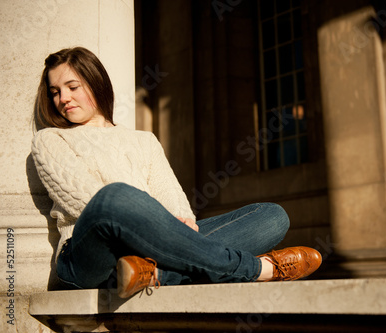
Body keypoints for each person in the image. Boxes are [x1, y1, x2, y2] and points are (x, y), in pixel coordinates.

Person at [31, 46, 322, 298]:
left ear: (95, 83)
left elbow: (171, 196)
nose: (63, 98)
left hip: (149, 248)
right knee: (113, 197)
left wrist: (182, 223)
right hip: (88, 257)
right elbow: (86, 203)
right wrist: (161, 232)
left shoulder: (143, 140)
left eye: (72, 86)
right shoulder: (50, 139)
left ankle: (151, 274)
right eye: (55, 92)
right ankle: (255, 268)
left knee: (271, 216)